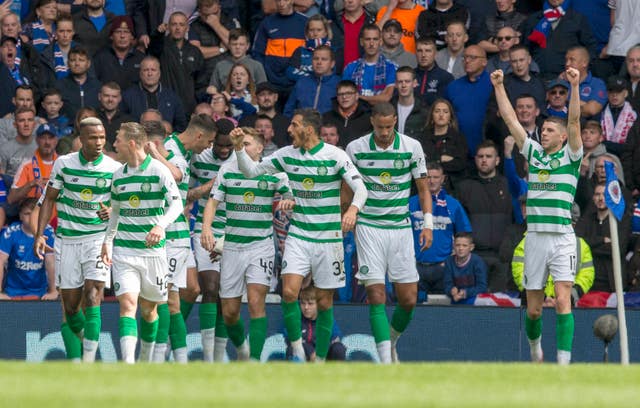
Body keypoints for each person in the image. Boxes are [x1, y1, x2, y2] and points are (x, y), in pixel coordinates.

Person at [231, 108, 367, 362]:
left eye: (294, 125)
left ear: (309, 129)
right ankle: (298, 349)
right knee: (290, 292)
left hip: (329, 240)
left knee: (325, 303)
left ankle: (322, 359)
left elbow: (361, 189)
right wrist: (239, 149)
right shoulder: (286, 155)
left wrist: (352, 210)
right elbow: (251, 172)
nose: (289, 130)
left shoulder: (335, 155)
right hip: (299, 236)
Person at [491, 66, 582, 364]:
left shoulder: (571, 156)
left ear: (563, 137)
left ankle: (564, 366)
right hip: (535, 239)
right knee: (533, 309)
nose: (543, 132)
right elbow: (509, 119)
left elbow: (575, 119)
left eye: (550, 130)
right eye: (542, 130)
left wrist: (575, 84)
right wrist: (499, 85)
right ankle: (535, 352)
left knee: (563, 299)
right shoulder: (533, 153)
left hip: (563, 239)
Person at [345, 102, 432, 363]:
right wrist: (344, 216)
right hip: (369, 227)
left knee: (408, 299)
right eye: (380, 127)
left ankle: (392, 339)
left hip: (400, 228)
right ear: (372, 122)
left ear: (395, 120)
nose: (384, 132)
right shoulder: (356, 148)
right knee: (376, 294)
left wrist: (427, 223)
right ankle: (384, 362)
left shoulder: (411, 147)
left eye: (389, 126)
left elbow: (424, 189)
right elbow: (348, 189)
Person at [34, 117, 121, 363]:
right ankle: (85, 342)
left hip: (97, 239)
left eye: (102, 137)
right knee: (71, 308)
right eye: (93, 137)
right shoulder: (64, 164)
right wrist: (40, 234)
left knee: (94, 293)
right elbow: (49, 198)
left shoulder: (113, 168)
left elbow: (120, 203)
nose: (99, 142)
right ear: (81, 139)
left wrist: (112, 210)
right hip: (67, 241)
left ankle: (89, 363)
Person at [201, 127, 292, 361]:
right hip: (232, 247)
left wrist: (288, 201)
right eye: (241, 143)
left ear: (260, 148)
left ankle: (254, 362)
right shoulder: (228, 170)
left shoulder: (273, 171)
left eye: (248, 143)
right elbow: (212, 202)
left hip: (260, 246)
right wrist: (206, 229)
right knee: (230, 313)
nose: (243, 146)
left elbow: (290, 195)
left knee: (255, 302)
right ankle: (242, 349)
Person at [101, 122, 183, 364]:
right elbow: (115, 211)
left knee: (149, 310)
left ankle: (145, 360)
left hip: (153, 254)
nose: (114, 144)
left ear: (132, 143)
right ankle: (128, 364)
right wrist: (108, 241)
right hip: (125, 251)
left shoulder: (158, 171)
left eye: (117, 140)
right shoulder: (118, 175)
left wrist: (160, 226)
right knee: (127, 304)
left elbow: (176, 204)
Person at [144, 115, 216, 363]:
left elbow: (181, 193)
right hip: (171, 235)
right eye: (208, 142)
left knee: (184, 292)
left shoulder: (181, 150)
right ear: (198, 136)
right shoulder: (171, 152)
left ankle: (166, 353)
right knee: (168, 299)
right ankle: (166, 355)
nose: (208, 147)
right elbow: (175, 177)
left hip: (178, 234)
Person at [188, 118, 236, 362]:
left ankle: (219, 356)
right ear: (213, 140)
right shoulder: (200, 158)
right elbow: (187, 192)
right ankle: (208, 357)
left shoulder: (241, 161)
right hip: (206, 230)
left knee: (226, 295)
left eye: (229, 146)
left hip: (234, 232)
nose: (224, 150)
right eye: (220, 145)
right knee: (210, 288)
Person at [410, 162, 471, 298]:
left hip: (444, 267)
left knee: (443, 308)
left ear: (443, 179)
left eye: (436, 177)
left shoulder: (453, 204)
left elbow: (464, 234)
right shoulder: (411, 203)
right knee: (414, 307)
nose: (431, 181)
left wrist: (454, 260)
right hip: (415, 265)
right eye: (428, 177)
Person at [575, 182, 632, 293]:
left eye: (605, 195)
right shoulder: (586, 220)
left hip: (612, 284)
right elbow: (577, 243)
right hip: (588, 283)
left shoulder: (621, 221)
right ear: (593, 198)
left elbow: (617, 249)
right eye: (597, 194)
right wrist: (602, 240)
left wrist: (590, 246)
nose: (601, 198)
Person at [520, 0, 597, 80]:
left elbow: (590, 48)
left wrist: (578, 71)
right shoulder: (534, 19)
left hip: (568, 78)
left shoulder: (577, 19)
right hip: (537, 78)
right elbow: (525, 49)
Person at [149, 11, 206, 116]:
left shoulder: (195, 51)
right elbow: (153, 49)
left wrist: (197, 103)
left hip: (189, 107)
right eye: (174, 24)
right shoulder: (161, 47)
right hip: (164, 105)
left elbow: (201, 82)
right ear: (168, 27)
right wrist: (157, 34)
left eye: (181, 24)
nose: (178, 28)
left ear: (187, 28)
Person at [0, 198, 56, 300]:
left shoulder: (48, 232)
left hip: (40, 293)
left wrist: (53, 291)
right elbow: (0, 261)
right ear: (20, 216)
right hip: (12, 292)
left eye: (35, 213)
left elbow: (51, 262)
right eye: (27, 214)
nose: (32, 218)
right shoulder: (11, 232)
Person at [445, 45, 493, 158]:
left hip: (488, 151)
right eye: (465, 57)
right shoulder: (453, 87)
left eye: (473, 57)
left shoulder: (494, 84)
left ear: (484, 62)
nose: (467, 61)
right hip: (459, 151)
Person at [252, 0, 307, 97]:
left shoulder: (305, 22)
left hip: (297, 82)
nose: (281, 4)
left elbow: (311, 52)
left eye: (285, 0)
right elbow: (257, 53)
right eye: (278, 0)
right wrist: (266, 74)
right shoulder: (267, 23)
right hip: (272, 83)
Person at [121, 56, 188, 132]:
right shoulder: (128, 96)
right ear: (140, 73)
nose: (150, 73)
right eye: (146, 70)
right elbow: (122, 124)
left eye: (153, 70)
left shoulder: (172, 97)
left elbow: (181, 126)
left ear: (159, 73)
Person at [285, 286, 346, 361]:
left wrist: (319, 354)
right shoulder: (296, 318)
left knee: (338, 348)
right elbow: (289, 338)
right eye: (303, 303)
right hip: (303, 357)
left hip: (323, 359)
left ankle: (337, 372)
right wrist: (310, 352)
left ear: (318, 304)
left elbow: (336, 338)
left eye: (310, 304)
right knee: (291, 349)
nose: (306, 307)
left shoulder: (325, 319)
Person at [342, 23, 396, 105]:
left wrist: (359, 97)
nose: (371, 44)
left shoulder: (391, 67)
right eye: (367, 39)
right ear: (361, 42)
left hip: (379, 115)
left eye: (375, 39)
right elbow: (346, 98)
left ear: (380, 42)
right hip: (356, 115)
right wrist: (377, 98)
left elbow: (386, 97)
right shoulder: (350, 68)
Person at [189, 0, 240, 87]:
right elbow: (196, 52)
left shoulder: (231, 22)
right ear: (200, 12)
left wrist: (216, 25)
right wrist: (221, 49)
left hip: (230, 78)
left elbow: (237, 47)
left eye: (214, 13)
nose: (211, 18)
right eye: (207, 15)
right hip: (204, 80)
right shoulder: (194, 26)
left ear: (219, 8)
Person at [420, 98, 468, 191]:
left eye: (445, 112)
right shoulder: (423, 138)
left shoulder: (458, 138)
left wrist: (433, 160)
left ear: (450, 116)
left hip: (452, 187)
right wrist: (441, 159)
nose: (441, 115)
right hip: (426, 186)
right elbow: (421, 163)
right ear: (432, 115)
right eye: (437, 111)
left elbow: (460, 164)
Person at [8, 123, 58, 206]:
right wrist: (31, 184)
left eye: (50, 138)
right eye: (43, 138)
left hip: (59, 213)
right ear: (37, 140)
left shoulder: (63, 163)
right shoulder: (27, 164)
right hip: (33, 213)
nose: (47, 142)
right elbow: (11, 199)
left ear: (56, 140)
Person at [92, 15, 145, 91]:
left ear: (132, 37)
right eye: (118, 31)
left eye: (126, 32)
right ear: (111, 36)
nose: (122, 36)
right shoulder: (100, 57)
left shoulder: (141, 59)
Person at [284, 45, 340, 118]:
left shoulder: (339, 84)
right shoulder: (302, 82)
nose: (319, 62)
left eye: (324, 59)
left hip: (327, 127)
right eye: (316, 59)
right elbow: (288, 111)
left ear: (332, 64)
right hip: (302, 127)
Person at [208, 28, 266, 93]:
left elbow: (263, 92)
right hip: (226, 102)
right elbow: (212, 88)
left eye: (241, 44)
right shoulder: (220, 66)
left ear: (247, 46)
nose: (237, 47)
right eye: (234, 44)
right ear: (229, 45)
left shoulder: (257, 66)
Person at [322, 79, 373, 147]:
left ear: (357, 95)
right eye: (340, 94)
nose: (344, 97)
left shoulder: (368, 118)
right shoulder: (326, 117)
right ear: (337, 97)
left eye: (348, 93)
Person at [238, 82, 290, 148]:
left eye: (270, 94)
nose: (266, 98)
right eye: (262, 94)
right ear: (255, 98)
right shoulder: (245, 122)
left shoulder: (287, 123)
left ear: (276, 97)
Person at [55, 46, 101, 121]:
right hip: (68, 130)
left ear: (88, 63)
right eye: (73, 60)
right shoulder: (59, 86)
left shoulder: (98, 86)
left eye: (81, 60)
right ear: (68, 63)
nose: (77, 63)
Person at [563, 46, 607, 120]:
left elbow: (592, 110)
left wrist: (566, 99)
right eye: (566, 60)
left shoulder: (597, 84)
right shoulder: (562, 82)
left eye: (572, 60)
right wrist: (584, 104)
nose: (567, 64)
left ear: (584, 63)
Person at [443, 232, 487, 304]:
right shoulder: (449, 261)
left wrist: (465, 293)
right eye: (458, 245)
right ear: (453, 246)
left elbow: (482, 287)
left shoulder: (478, 262)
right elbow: (447, 284)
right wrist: (451, 290)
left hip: (474, 299)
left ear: (471, 247)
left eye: (464, 245)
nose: (460, 248)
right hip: (455, 298)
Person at [600, 76, 637, 157]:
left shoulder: (635, 116)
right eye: (611, 91)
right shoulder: (600, 114)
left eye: (619, 91)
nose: (615, 95)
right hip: (603, 157)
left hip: (628, 158)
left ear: (625, 93)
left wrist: (606, 144)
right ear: (607, 93)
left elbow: (632, 146)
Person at [414, 37, 453, 108]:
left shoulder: (446, 78)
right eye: (419, 51)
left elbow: (443, 105)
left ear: (435, 53)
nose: (423, 55)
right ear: (415, 53)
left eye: (428, 51)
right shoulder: (409, 76)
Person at [391, 66, 427, 140]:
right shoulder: (389, 108)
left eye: (407, 81)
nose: (403, 85)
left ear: (415, 83)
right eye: (400, 82)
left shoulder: (424, 112)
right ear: (396, 84)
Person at [97, 82, 133, 150]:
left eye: (114, 96)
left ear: (120, 98)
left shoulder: (129, 122)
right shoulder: (92, 117)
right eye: (106, 96)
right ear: (99, 96)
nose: (110, 100)